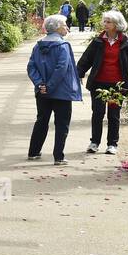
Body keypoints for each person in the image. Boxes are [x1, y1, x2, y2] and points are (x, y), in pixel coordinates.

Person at [75, 10, 128, 155]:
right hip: (98, 83)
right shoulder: (98, 41)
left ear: (117, 24)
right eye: (105, 21)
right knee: (97, 113)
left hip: (117, 85)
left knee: (113, 115)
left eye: (109, 22)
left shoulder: (125, 42)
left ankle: (112, 144)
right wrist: (79, 73)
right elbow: (86, 59)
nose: (105, 24)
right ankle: (94, 142)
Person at [26, 14, 83, 165]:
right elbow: (61, 69)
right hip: (61, 92)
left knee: (42, 120)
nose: (67, 28)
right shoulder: (63, 46)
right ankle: (59, 156)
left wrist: (40, 85)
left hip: (42, 92)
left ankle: (33, 152)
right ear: (57, 28)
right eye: (65, 25)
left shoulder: (38, 46)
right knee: (62, 123)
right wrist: (50, 86)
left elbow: (31, 67)